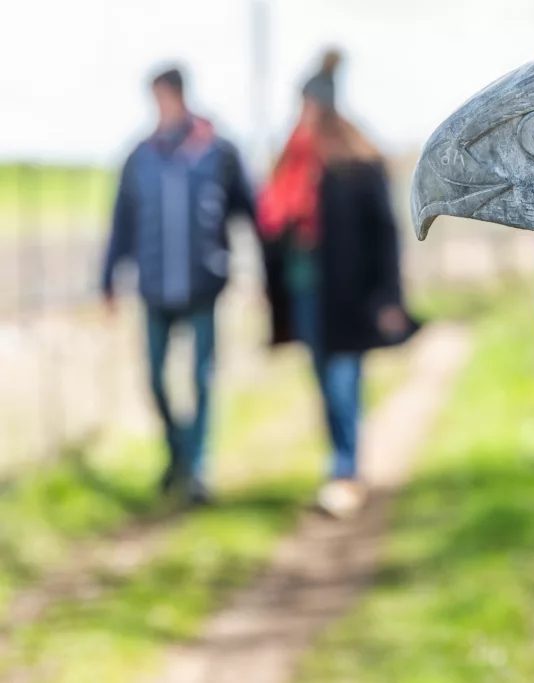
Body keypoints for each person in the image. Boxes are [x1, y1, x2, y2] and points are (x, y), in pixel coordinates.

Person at [258, 49, 418, 518]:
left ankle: (345, 471)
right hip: (306, 292)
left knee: (343, 380)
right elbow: (274, 224)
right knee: (324, 381)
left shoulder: (357, 162)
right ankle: (342, 463)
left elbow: (385, 236)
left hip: (349, 298)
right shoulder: (293, 166)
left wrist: (389, 296)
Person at [101, 66, 256, 504]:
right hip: (153, 289)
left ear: (178, 96)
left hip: (203, 284)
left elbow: (249, 213)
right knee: (154, 378)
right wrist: (108, 280)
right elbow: (121, 224)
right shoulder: (140, 156)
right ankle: (178, 453)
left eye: (163, 98)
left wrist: (266, 275)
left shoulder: (217, 151)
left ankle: (199, 468)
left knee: (202, 378)